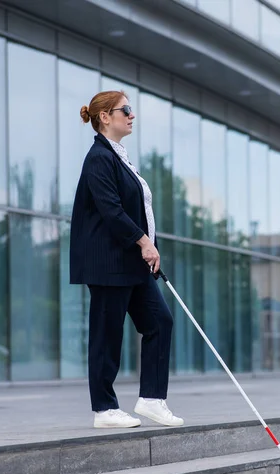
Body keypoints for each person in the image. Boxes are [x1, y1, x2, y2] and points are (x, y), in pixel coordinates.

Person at [70, 90, 184, 429]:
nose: (132, 115)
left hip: (131, 263)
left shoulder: (118, 157)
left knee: (159, 322)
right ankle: (104, 409)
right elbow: (111, 211)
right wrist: (144, 241)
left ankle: (151, 399)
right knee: (107, 335)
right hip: (108, 263)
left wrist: (146, 246)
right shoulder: (98, 158)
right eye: (126, 110)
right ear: (105, 117)